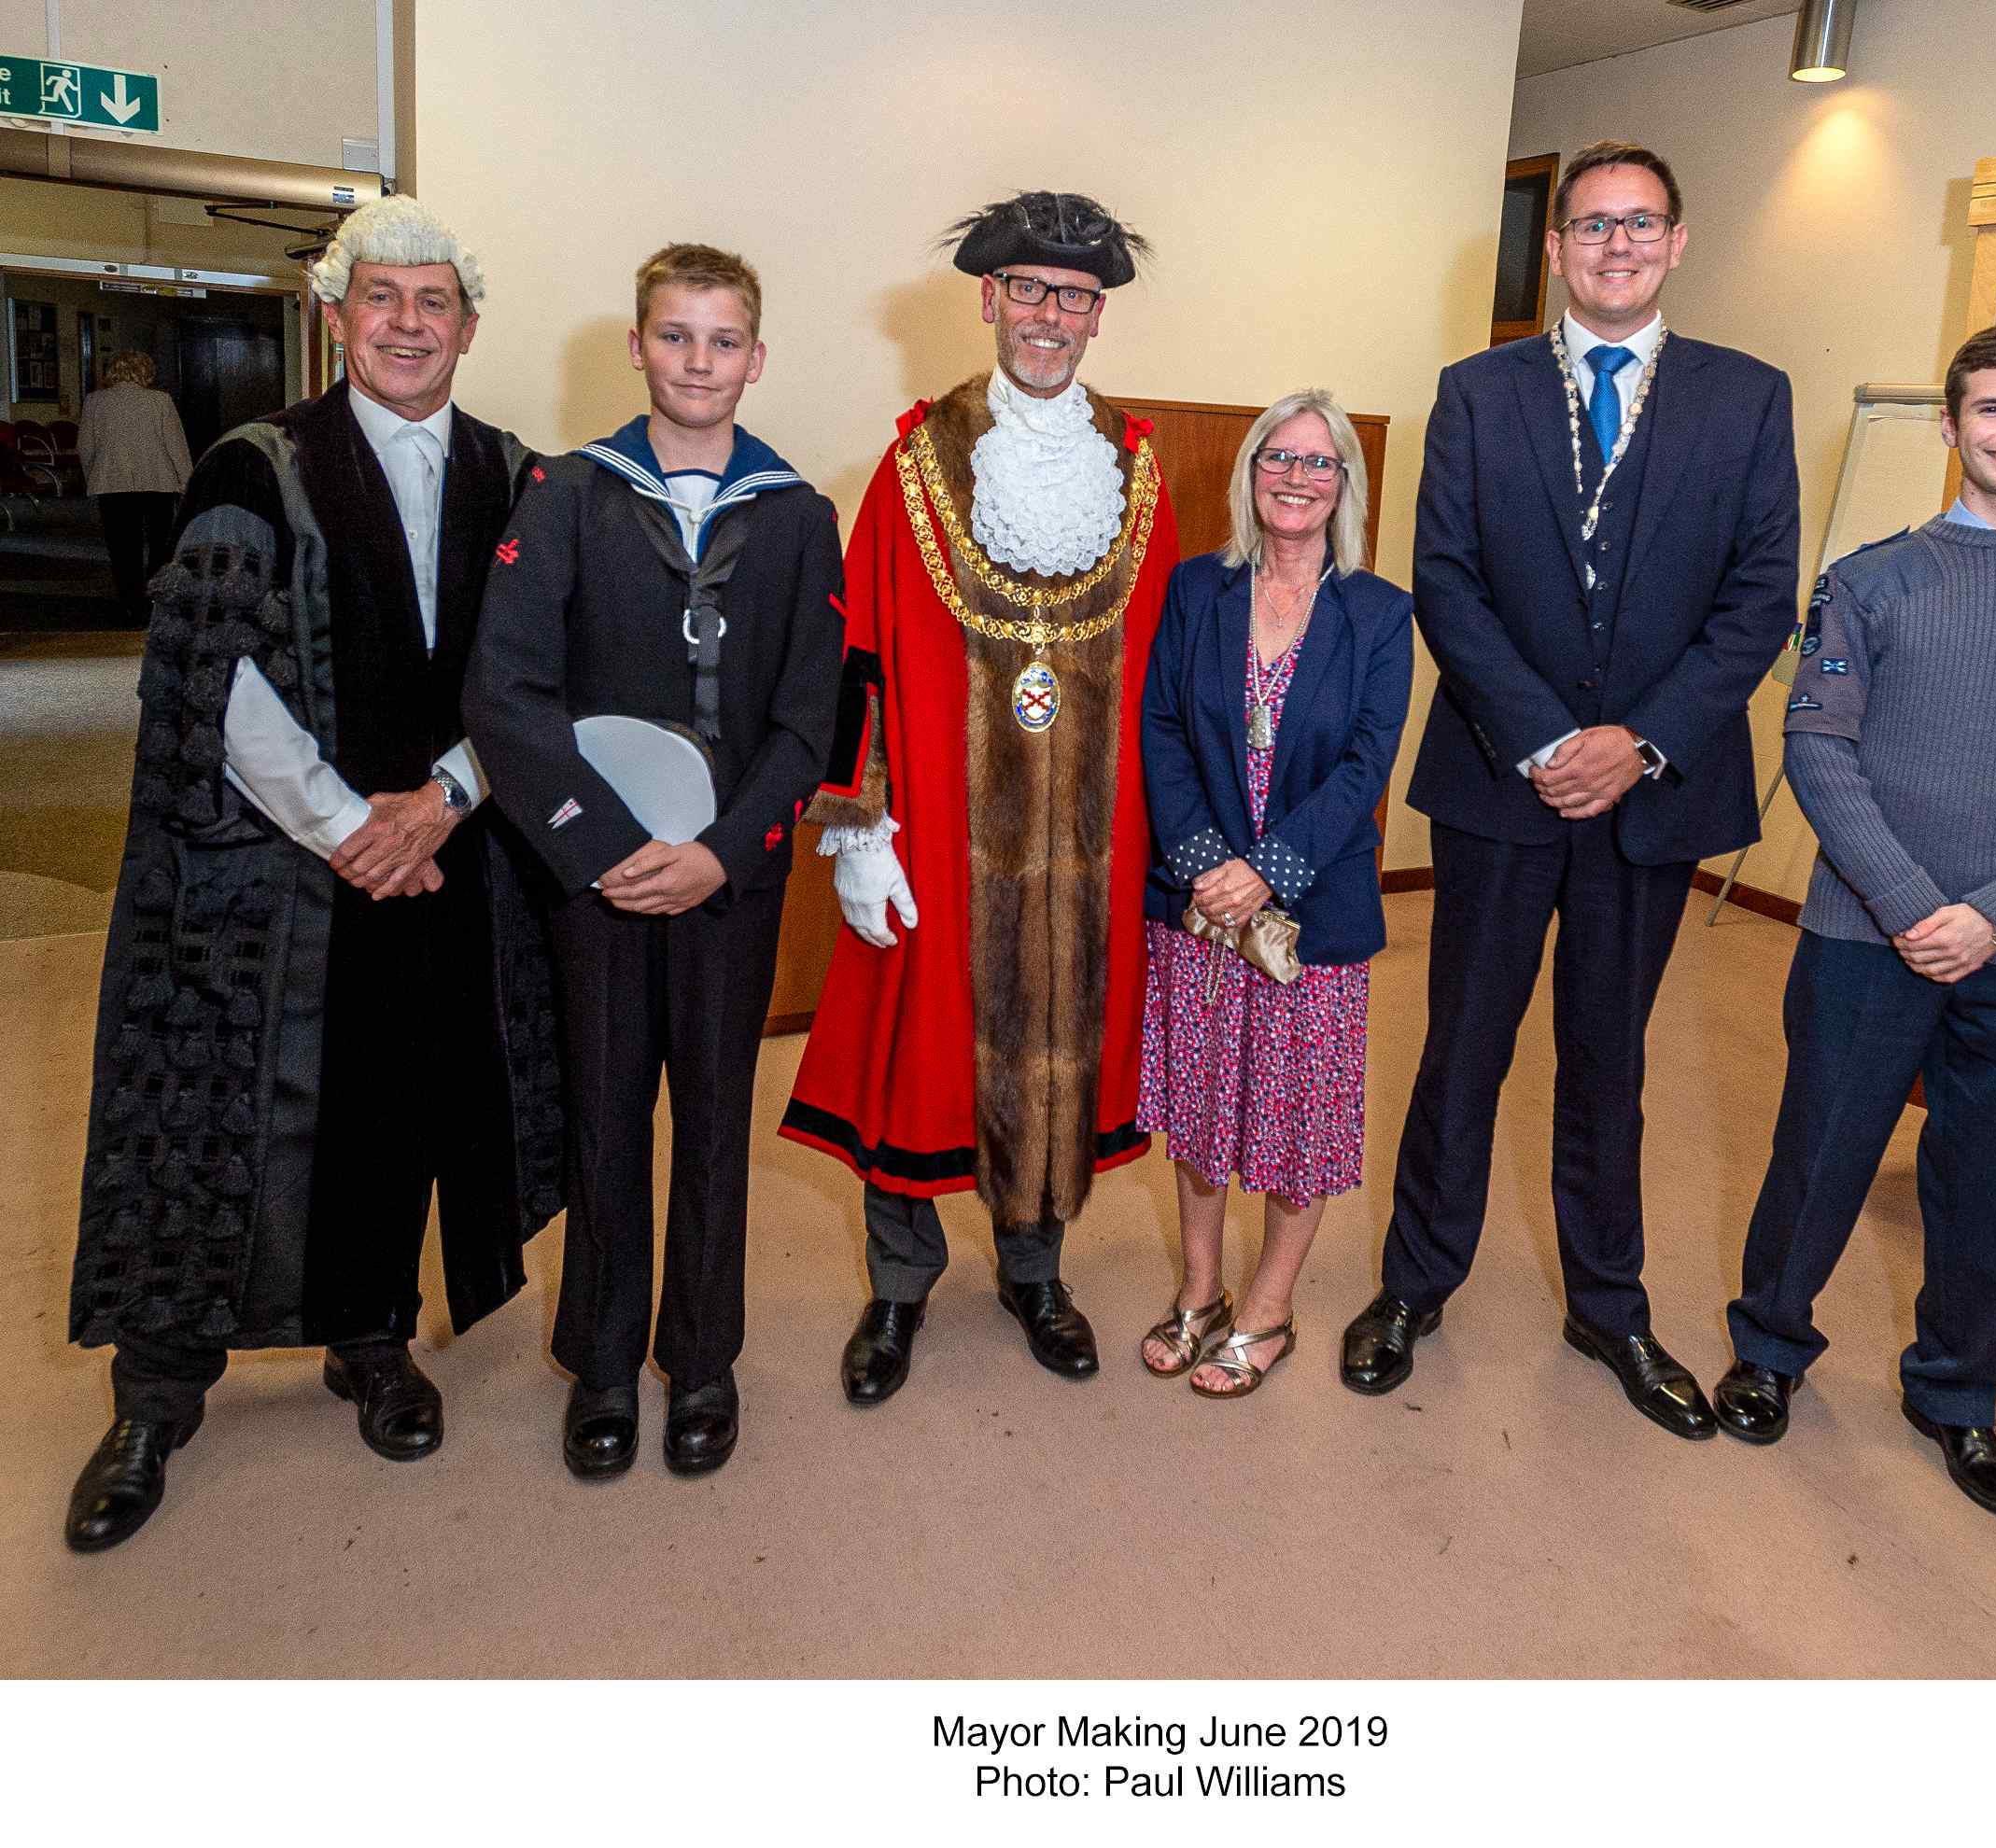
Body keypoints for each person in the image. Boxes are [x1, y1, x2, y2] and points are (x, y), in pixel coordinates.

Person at [63, 196, 564, 1553]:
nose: (407, 326)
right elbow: (212, 678)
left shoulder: (516, 476)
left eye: (434, 302)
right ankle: (158, 1390)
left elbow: (533, 679)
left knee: (395, 1100)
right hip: (263, 873)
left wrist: (448, 800)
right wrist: (351, 823)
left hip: (444, 855)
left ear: (467, 323)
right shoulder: (252, 464)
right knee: (204, 1113)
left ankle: (370, 1330)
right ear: (336, 317)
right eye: (381, 302)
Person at [1346, 140, 1800, 1436]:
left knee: (1609, 1062)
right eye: (1591, 226)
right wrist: (1551, 741)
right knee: (1463, 1050)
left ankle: (1610, 1306)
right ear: (1553, 249)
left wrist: (1637, 743)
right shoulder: (1477, 394)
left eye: (1640, 223)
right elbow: (1448, 580)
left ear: (1678, 241)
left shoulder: (1748, 398)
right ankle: (1415, 1283)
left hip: (1658, 798)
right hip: (1503, 788)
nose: (1616, 245)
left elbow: (1758, 599)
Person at [1714, 322, 1996, 1519]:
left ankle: (1959, 1398)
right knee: (1819, 1152)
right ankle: (1768, 1352)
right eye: (1992, 410)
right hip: (1869, 933)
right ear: (1952, 423)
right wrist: (1919, 906)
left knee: (1986, 1181)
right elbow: (1818, 747)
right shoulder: (1866, 580)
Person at [778, 189, 1179, 1404]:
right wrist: (853, 834)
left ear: (1097, 317)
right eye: (1029, 291)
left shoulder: (1140, 475)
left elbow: (1170, 679)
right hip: (938, 834)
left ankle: (1035, 1271)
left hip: (1095, 838)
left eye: (1075, 298)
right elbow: (848, 671)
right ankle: (897, 1287)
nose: (1050, 317)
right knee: (919, 1046)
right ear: (989, 301)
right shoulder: (910, 468)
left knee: (1061, 1042)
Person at [466, 243, 843, 1479]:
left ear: (756, 357)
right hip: (604, 884)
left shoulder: (797, 517)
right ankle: (606, 1359)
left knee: (718, 1121)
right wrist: (619, 852)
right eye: (675, 336)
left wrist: (721, 854)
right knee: (608, 1114)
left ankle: (706, 1357)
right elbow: (506, 695)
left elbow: (809, 722)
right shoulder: (568, 493)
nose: (698, 360)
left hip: (730, 884)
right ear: (637, 347)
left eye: (722, 339)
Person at [1135, 390, 1413, 1397]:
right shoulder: (1194, 591)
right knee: (1203, 1113)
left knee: (1302, 1122)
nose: (1296, 479)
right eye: (1277, 460)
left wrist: (1271, 871)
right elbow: (1161, 728)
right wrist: (1207, 861)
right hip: (1202, 903)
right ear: (1251, 476)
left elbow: (1365, 760)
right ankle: (1200, 1293)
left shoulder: (1380, 614)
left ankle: (1269, 1309)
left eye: (1319, 462)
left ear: (1346, 483)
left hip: (1314, 912)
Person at [79, 351, 192, 625]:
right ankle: (155, 597)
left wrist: (93, 476)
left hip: (112, 484)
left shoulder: (95, 401)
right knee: (159, 543)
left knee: (122, 547)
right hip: (158, 483)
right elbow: (175, 445)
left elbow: (85, 446)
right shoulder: (160, 401)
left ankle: (130, 602)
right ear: (146, 372)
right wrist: (188, 481)